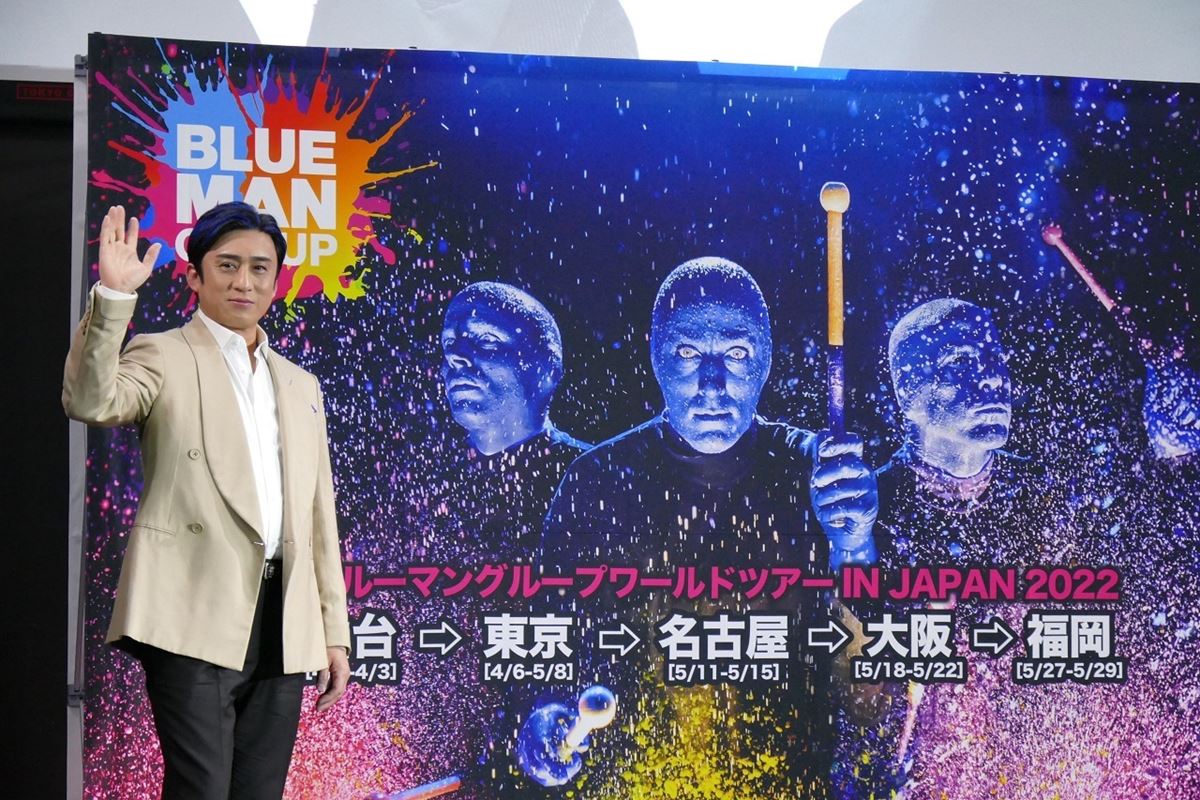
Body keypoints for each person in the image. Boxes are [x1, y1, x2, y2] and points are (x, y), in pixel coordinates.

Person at [535, 257, 880, 796]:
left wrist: (854, 546)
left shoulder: (824, 477)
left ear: (767, 357)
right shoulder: (596, 483)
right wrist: (544, 716)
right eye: (688, 353)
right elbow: (544, 642)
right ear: (654, 353)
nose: (712, 384)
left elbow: (871, 700)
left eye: (736, 354)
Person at [63, 203, 351, 799]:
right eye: (227, 265)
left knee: (259, 791)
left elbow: (318, 517)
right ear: (195, 275)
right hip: (192, 607)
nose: (244, 282)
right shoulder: (162, 353)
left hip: (282, 617)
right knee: (201, 788)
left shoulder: (300, 384)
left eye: (259, 268)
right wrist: (113, 298)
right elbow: (91, 400)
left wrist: (332, 630)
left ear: (277, 280)